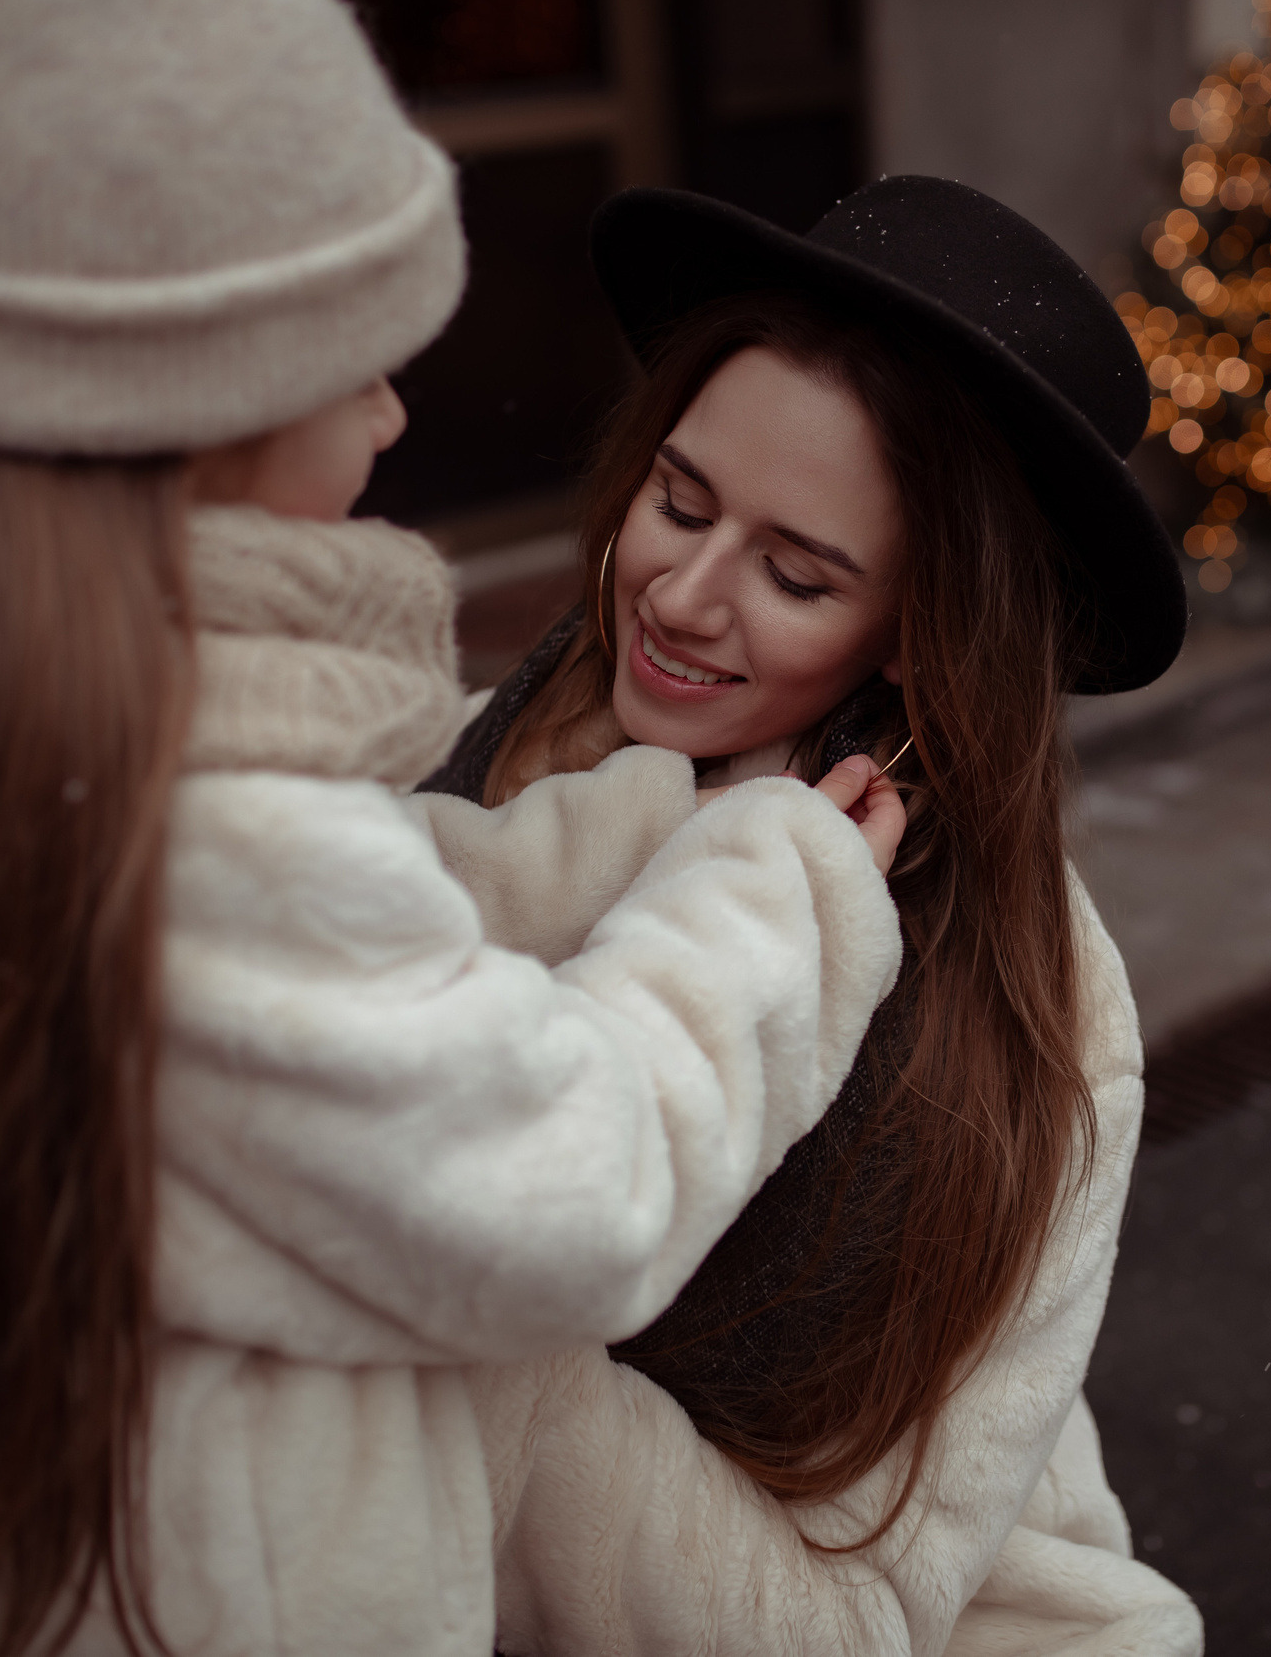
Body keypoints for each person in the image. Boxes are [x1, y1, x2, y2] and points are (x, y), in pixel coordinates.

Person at [0, 0, 907, 1655]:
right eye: (353, 365)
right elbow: (567, 1190)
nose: (392, 412)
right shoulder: (188, 827)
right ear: (185, 415)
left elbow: (276, 1062)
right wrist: (776, 885)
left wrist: (574, 846)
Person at [418, 178, 1205, 1655]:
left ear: (919, 631)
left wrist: (434, 1351)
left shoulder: (1030, 1028)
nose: (682, 596)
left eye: (794, 574)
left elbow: (851, 1619)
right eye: (679, 501)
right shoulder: (474, 756)